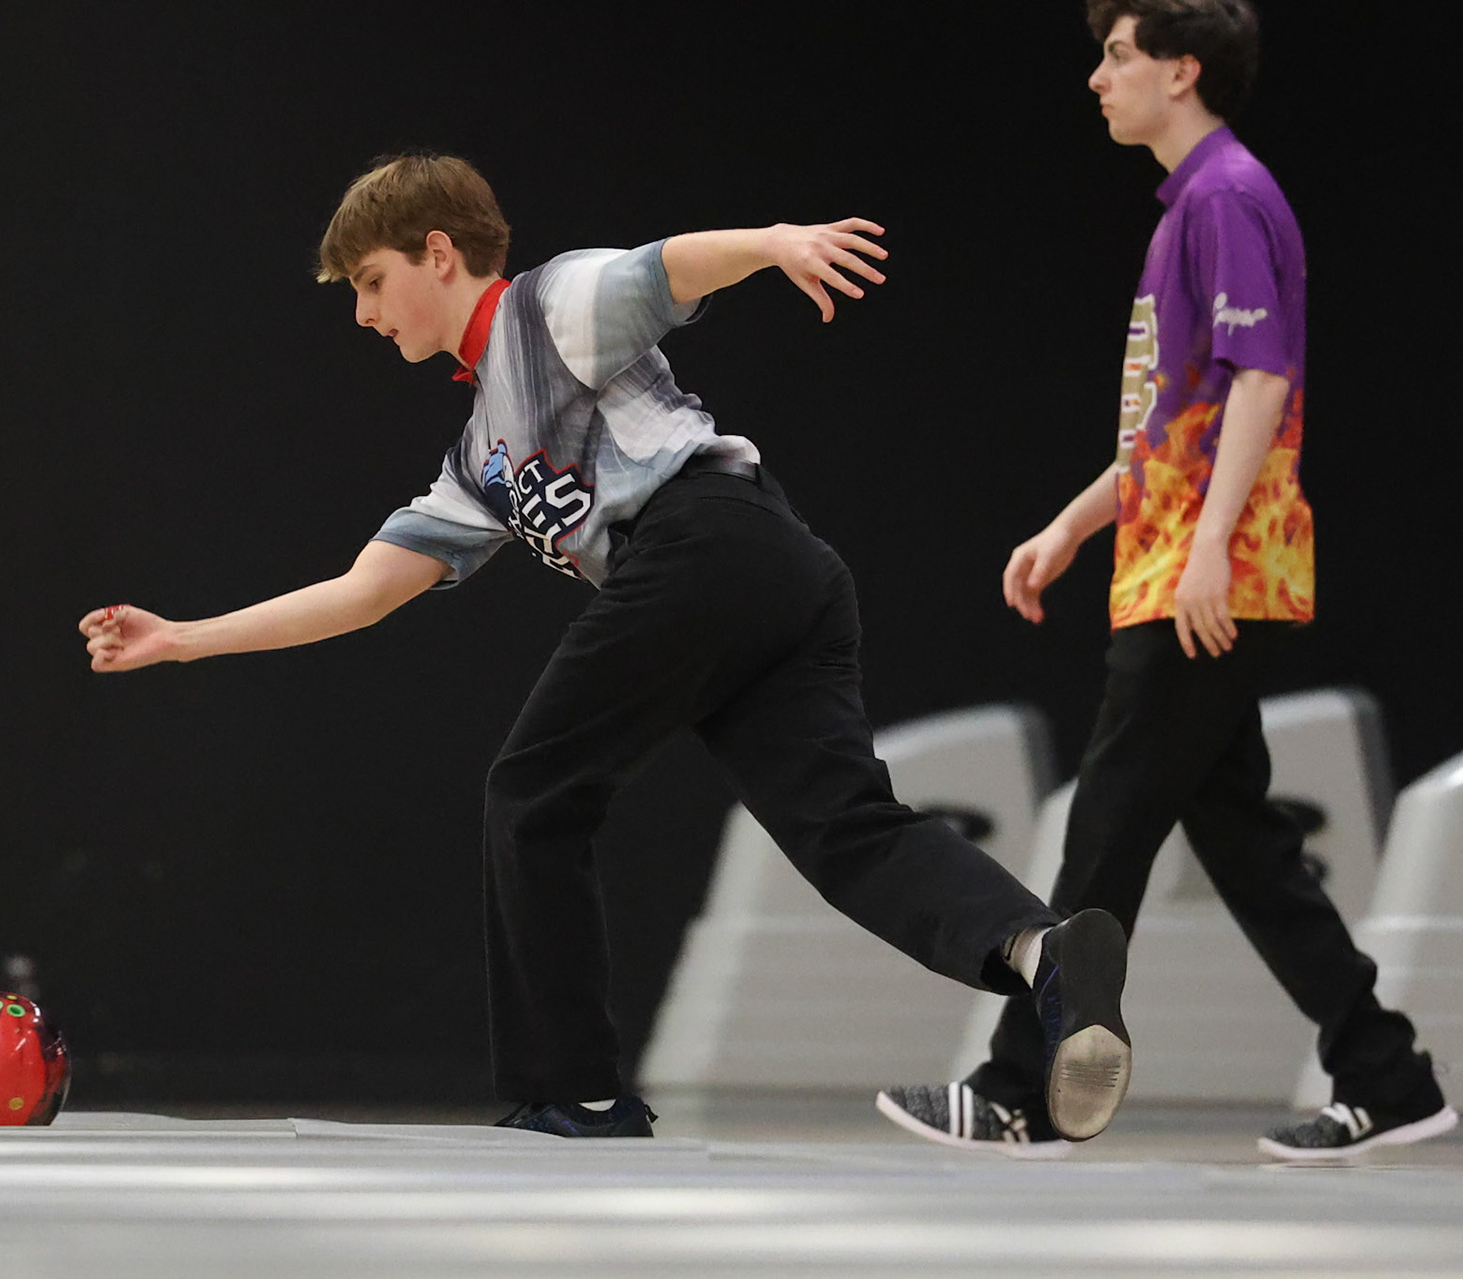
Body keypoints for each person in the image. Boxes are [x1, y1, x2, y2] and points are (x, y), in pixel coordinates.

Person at [79, 153, 1134, 1139]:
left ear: (438, 253)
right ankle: (1046, 949)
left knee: (532, 792)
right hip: (774, 572)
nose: (362, 312)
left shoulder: (545, 306)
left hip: (704, 545)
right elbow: (363, 592)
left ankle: (574, 1091)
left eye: (370, 281)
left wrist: (775, 242)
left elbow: (666, 269)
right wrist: (183, 640)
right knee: (844, 830)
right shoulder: (480, 457)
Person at [876, 0, 1455, 1162]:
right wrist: (1071, 526)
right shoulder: (1193, 206)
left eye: (1119, 55)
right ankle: (1386, 1074)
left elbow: (1262, 384)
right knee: (1243, 843)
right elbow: (1170, 427)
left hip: (1208, 575)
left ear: (1183, 71)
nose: (1099, 78)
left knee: (1106, 823)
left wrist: (1207, 549)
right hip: (1180, 562)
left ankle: (1018, 1088)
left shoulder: (1228, 196)